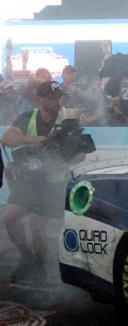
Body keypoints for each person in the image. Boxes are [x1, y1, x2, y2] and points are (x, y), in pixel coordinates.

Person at [1, 82, 84, 283]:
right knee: (10, 217)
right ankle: (26, 255)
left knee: (38, 227)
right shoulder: (28, 117)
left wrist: (63, 158)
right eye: (52, 97)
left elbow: (81, 153)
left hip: (53, 181)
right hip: (28, 179)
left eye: (59, 97)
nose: (57, 101)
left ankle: (37, 262)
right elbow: (6, 139)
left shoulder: (68, 120)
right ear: (41, 99)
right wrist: (32, 140)